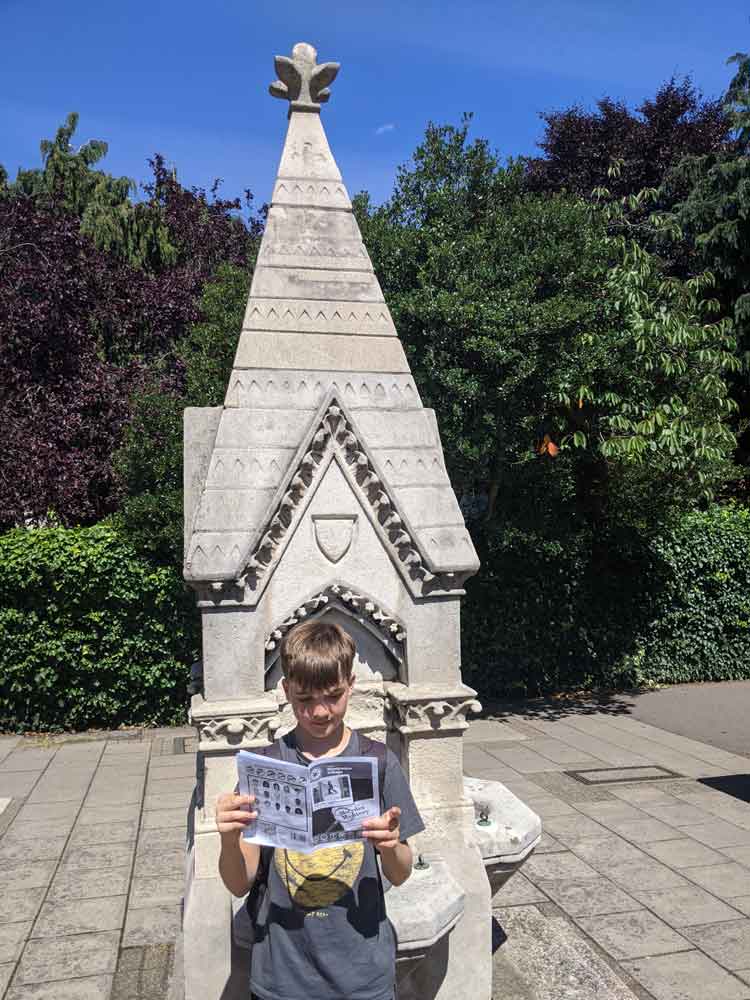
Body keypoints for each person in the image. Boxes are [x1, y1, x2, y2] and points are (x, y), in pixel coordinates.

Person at [215, 620, 425, 1000]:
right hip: (283, 974)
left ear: (351, 684)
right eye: (305, 699)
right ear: (286, 691)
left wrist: (391, 845)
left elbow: (401, 872)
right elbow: (239, 882)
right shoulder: (265, 768)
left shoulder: (378, 762)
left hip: (362, 972)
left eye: (333, 695)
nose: (320, 711)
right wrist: (229, 839)